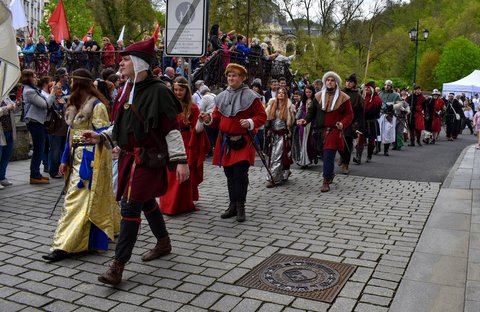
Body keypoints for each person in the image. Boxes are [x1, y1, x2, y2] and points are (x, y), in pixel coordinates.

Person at [82, 38, 189, 285]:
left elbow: (172, 131)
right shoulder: (125, 89)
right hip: (131, 158)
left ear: (140, 63)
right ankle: (163, 242)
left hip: (150, 158)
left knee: (130, 208)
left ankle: (117, 267)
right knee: (145, 200)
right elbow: (121, 125)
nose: (121, 62)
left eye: (127, 58)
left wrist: (181, 161)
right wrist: (101, 136)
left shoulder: (160, 91)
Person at [42, 68, 120, 262]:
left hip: (91, 158)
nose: (69, 84)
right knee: (93, 197)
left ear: (78, 84)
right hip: (74, 156)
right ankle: (112, 226)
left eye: (72, 81)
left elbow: (103, 134)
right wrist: (63, 160)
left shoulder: (97, 106)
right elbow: (70, 135)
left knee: (75, 199)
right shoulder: (73, 105)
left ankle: (64, 244)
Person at [199, 63, 266, 222]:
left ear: (242, 78)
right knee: (229, 174)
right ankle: (233, 206)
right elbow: (216, 118)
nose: (231, 78)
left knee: (240, 174)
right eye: (229, 75)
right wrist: (208, 119)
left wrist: (250, 121)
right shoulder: (221, 96)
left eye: (234, 75)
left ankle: (241, 206)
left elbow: (261, 117)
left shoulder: (251, 96)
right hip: (225, 141)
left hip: (243, 141)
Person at [159, 77, 209, 215]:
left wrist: (200, 121)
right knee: (170, 175)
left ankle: (181, 205)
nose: (177, 92)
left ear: (186, 91)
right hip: (169, 142)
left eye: (180, 90)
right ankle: (167, 204)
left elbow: (198, 130)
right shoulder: (168, 104)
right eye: (175, 90)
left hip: (187, 142)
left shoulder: (192, 107)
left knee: (182, 175)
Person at [297, 71, 353, 192]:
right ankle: (330, 173)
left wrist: (343, 123)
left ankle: (326, 180)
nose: (330, 82)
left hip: (334, 131)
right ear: (325, 82)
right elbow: (311, 112)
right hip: (319, 131)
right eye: (328, 80)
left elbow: (349, 114)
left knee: (328, 155)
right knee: (323, 154)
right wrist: (305, 121)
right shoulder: (318, 96)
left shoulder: (344, 98)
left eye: (332, 80)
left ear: (336, 83)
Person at [21, 69, 51, 184]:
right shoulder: (29, 91)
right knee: (38, 148)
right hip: (35, 122)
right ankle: (34, 175)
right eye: (34, 77)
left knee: (41, 147)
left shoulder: (34, 89)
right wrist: (52, 94)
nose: (36, 79)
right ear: (28, 78)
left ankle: (37, 173)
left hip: (39, 122)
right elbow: (44, 104)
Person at [264, 87, 295, 187]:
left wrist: (289, 134)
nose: (280, 94)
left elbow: (291, 123)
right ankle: (283, 172)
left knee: (278, 156)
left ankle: (273, 178)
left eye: (283, 93)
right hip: (273, 134)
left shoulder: (289, 107)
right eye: (279, 92)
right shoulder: (272, 104)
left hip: (283, 135)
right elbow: (267, 119)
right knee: (272, 156)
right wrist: (268, 130)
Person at [340, 73, 364, 172]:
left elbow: (360, 112)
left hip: (350, 122)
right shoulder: (340, 92)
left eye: (351, 82)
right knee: (337, 144)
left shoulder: (357, 95)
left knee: (347, 144)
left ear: (354, 84)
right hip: (339, 121)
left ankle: (345, 164)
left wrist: (357, 125)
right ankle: (342, 157)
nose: (348, 83)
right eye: (347, 81)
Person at [293, 84, 317, 167]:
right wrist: (295, 119)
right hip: (303, 123)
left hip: (312, 123)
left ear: (313, 92)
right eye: (306, 92)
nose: (308, 94)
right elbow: (300, 110)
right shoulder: (303, 101)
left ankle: (313, 155)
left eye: (310, 92)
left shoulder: (316, 101)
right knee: (303, 141)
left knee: (311, 141)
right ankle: (304, 160)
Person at [358, 81, 382, 163]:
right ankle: (358, 157)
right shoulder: (362, 97)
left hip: (372, 122)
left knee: (371, 140)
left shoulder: (377, 99)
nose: (366, 89)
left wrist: (365, 112)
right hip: (363, 122)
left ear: (372, 89)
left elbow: (375, 112)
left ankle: (369, 155)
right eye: (366, 87)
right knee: (360, 139)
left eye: (368, 88)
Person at [0, 97, 16, 189]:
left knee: (6, 155)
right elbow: (7, 108)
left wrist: (17, 104)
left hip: (9, 130)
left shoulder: (5, 95)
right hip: (1, 131)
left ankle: (2, 177)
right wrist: (6, 108)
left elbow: (14, 109)